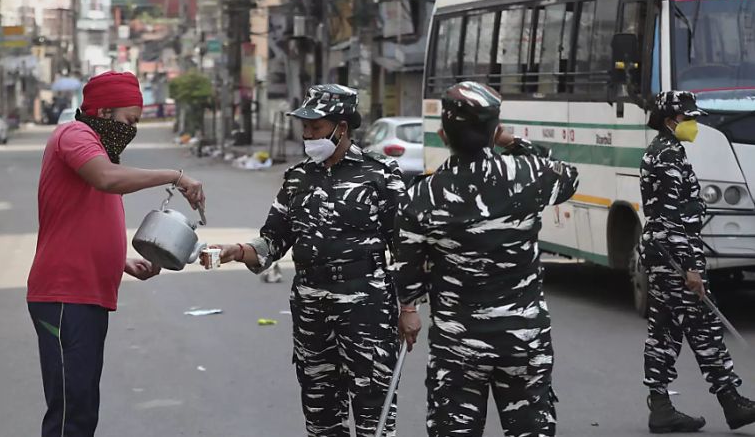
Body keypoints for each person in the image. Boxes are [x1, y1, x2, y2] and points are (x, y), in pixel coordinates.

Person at [202, 84, 406, 436]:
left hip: (366, 308)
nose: (307, 134)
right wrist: (236, 250)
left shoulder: (380, 174)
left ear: (341, 127)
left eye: (315, 127)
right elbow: (272, 239)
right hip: (312, 309)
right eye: (305, 127)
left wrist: (410, 307)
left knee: (374, 413)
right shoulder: (298, 178)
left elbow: (405, 246)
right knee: (320, 412)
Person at [26, 71, 205, 437]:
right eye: (130, 121)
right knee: (69, 414)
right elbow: (106, 179)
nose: (132, 129)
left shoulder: (97, 147)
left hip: (87, 294)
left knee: (83, 409)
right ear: (104, 112)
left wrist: (119, 261)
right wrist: (175, 175)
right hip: (64, 295)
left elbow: (82, 218)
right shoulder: (74, 135)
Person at [395, 81, 579, 437]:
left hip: (457, 347)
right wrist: (513, 142)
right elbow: (567, 176)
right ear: (494, 130)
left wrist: (408, 312)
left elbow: (408, 273)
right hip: (524, 341)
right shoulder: (529, 175)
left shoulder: (422, 196)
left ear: (442, 134)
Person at [639, 90, 755, 433]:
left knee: (664, 331)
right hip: (675, 258)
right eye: (688, 118)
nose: (693, 124)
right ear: (670, 120)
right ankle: (731, 400)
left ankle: (660, 405)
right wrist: (690, 267)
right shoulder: (668, 156)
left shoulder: (663, 151)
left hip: (663, 255)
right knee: (704, 327)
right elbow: (671, 218)